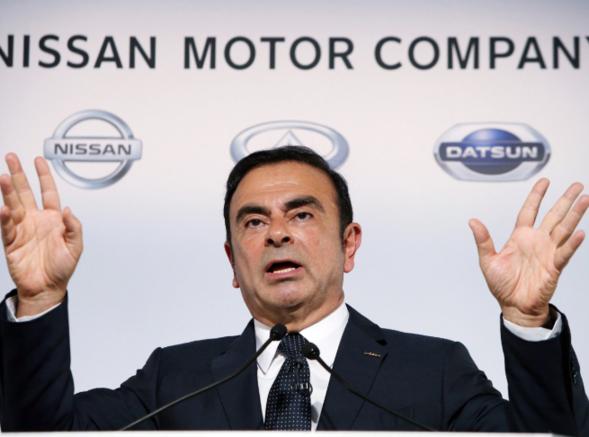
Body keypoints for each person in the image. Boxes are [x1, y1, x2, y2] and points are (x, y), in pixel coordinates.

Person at [0, 146, 588, 433]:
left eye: (302, 215)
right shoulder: (173, 380)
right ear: (233, 261)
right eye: (254, 222)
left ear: (349, 244)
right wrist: (40, 301)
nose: (277, 232)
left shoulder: (434, 371)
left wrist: (527, 317)